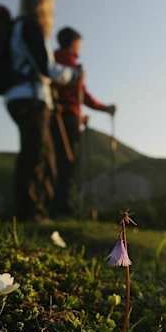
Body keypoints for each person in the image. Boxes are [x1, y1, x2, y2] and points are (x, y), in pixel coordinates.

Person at [5, 0, 80, 222]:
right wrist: (72, 75)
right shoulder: (30, 27)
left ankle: (36, 210)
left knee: (39, 153)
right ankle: (30, 213)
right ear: (42, 7)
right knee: (36, 154)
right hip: (31, 97)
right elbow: (46, 67)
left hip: (17, 95)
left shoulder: (16, 29)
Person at [51, 27, 116, 216]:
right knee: (68, 161)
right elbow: (83, 96)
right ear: (73, 43)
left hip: (59, 114)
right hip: (67, 116)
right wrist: (104, 108)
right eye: (79, 44)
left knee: (57, 159)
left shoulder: (53, 60)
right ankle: (63, 207)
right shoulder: (70, 65)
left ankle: (55, 204)